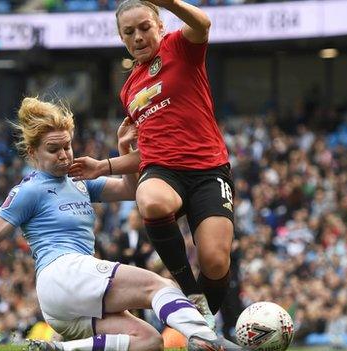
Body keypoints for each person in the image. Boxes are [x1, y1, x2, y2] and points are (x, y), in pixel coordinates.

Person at [0, 97, 236, 351]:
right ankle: (208, 339)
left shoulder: (79, 182)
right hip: (61, 273)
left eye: (67, 147)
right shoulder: (30, 190)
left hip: (67, 298)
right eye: (53, 150)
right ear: (33, 153)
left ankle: (57, 349)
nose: (63, 155)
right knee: (161, 286)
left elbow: (131, 190)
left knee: (148, 341)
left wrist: (123, 148)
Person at [69, 0, 234, 327]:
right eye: (129, 32)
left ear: (160, 26)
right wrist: (105, 165)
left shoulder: (179, 48)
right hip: (163, 172)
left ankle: (200, 328)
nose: (138, 37)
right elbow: (150, 152)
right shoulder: (129, 89)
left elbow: (202, 24)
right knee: (152, 200)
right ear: (122, 39)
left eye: (145, 27)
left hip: (208, 171)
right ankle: (189, 293)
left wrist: (169, 3)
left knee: (215, 261)